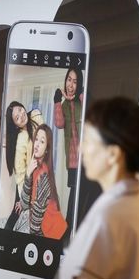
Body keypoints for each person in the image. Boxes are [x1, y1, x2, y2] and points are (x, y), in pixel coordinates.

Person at [59, 97, 139, 279]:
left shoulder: (109, 217)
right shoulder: (136, 203)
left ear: (113, 154)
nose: (80, 149)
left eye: (87, 140)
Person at [15, 124, 67, 239]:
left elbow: (35, 227)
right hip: (44, 229)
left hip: (53, 234)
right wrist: (28, 174)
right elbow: (24, 203)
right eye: (36, 139)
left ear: (47, 149)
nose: (37, 144)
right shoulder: (35, 167)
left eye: (42, 141)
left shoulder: (43, 175)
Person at [53, 67, 84, 233]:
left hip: (86, 156)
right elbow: (59, 124)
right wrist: (58, 101)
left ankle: (71, 225)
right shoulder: (64, 105)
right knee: (74, 191)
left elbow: (88, 108)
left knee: (81, 192)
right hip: (72, 159)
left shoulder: (81, 100)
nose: (70, 84)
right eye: (69, 80)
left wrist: (80, 94)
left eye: (75, 81)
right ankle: (69, 225)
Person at [4, 101, 43, 230]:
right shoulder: (21, 139)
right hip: (25, 180)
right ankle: (4, 237)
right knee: (17, 211)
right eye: (16, 118)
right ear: (15, 125)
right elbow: (20, 172)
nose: (21, 115)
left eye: (20, 110)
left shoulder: (35, 116)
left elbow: (43, 135)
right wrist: (23, 198)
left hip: (38, 176)